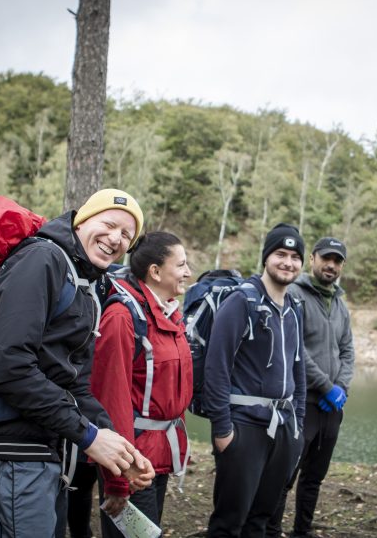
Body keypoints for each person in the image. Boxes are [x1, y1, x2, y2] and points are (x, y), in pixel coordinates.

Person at [0, 189, 155, 538]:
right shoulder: (42, 260)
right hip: (9, 456)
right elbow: (8, 364)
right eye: (109, 224)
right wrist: (88, 436)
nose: (115, 239)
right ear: (82, 218)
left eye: (126, 235)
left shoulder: (88, 284)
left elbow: (74, 383)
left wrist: (118, 449)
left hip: (42, 455)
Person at [204, 223, 307, 538]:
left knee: (260, 520)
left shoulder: (293, 308)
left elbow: (298, 368)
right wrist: (222, 429)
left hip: (284, 428)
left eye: (294, 256)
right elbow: (216, 367)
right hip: (244, 427)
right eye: (280, 254)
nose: (287, 262)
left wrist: (298, 425)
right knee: (229, 522)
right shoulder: (242, 302)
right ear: (266, 257)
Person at [90, 231, 193, 535]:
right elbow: (111, 400)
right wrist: (118, 479)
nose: (188, 272)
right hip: (131, 460)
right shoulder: (122, 317)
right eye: (182, 265)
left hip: (156, 455)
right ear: (156, 271)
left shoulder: (171, 315)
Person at [266, 237, 355, 538]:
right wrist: (326, 386)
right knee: (285, 475)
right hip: (302, 403)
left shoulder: (341, 305)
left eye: (337, 261)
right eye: (326, 259)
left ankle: (301, 531)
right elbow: (295, 348)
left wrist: (341, 388)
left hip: (333, 407)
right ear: (313, 259)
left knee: (314, 478)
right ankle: (270, 530)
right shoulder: (295, 295)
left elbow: (347, 350)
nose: (331, 265)